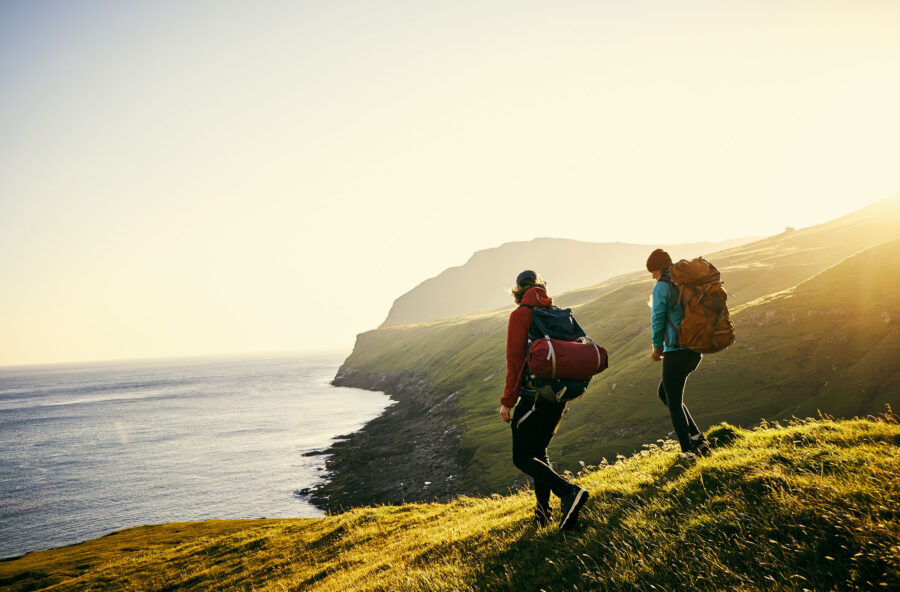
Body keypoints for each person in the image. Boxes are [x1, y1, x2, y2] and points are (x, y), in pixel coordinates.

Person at [500, 269, 589, 530]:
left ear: (518, 292)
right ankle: (543, 514)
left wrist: (508, 401)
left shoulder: (520, 315)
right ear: (542, 288)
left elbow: (515, 361)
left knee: (522, 456)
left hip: (533, 397)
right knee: (539, 452)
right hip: (559, 395)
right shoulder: (556, 311)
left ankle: (569, 492)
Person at [646, 249, 711, 459]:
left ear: (657, 268)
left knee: (673, 401)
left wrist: (657, 346)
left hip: (677, 351)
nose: (652, 276)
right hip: (694, 349)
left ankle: (688, 452)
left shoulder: (662, 287)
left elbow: (657, 318)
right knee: (664, 394)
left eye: (652, 271)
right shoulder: (684, 283)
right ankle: (697, 439)